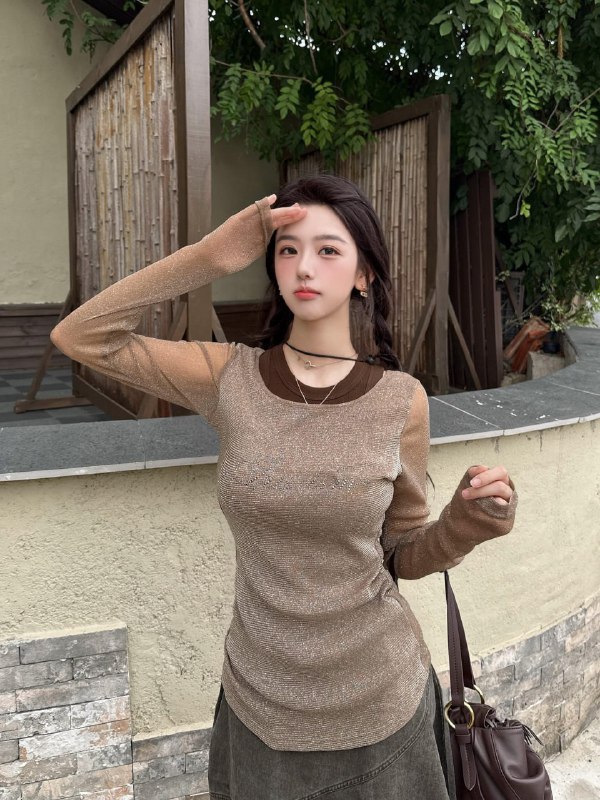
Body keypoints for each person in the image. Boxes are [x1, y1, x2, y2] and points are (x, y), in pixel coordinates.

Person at [50, 175, 517, 799]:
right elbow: (81, 337)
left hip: (381, 703)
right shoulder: (229, 377)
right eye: (288, 249)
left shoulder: (401, 400)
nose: (304, 266)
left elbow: (401, 552)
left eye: (328, 250)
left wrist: (466, 525)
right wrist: (209, 257)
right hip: (259, 704)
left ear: (363, 274)